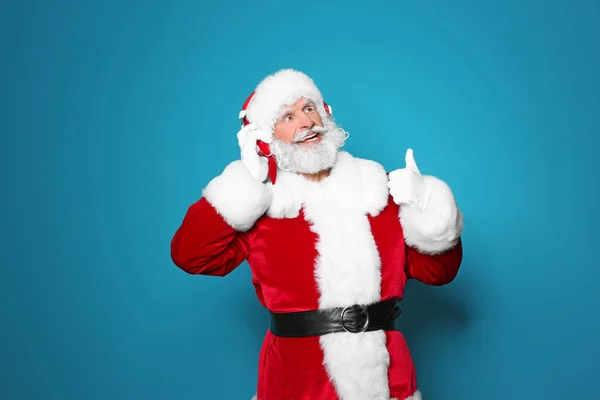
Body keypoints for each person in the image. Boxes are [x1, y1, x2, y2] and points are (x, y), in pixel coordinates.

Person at [170, 69, 464, 400]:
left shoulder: (379, 188)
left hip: (386, 380)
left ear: (324, 113)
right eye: (288, 116)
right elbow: (190, 255)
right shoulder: (263, 203)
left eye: (309, 109)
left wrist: (426, 205)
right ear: (266, 137)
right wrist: (246, 183)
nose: (305, 123)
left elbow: (439, 272)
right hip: (296, 382)